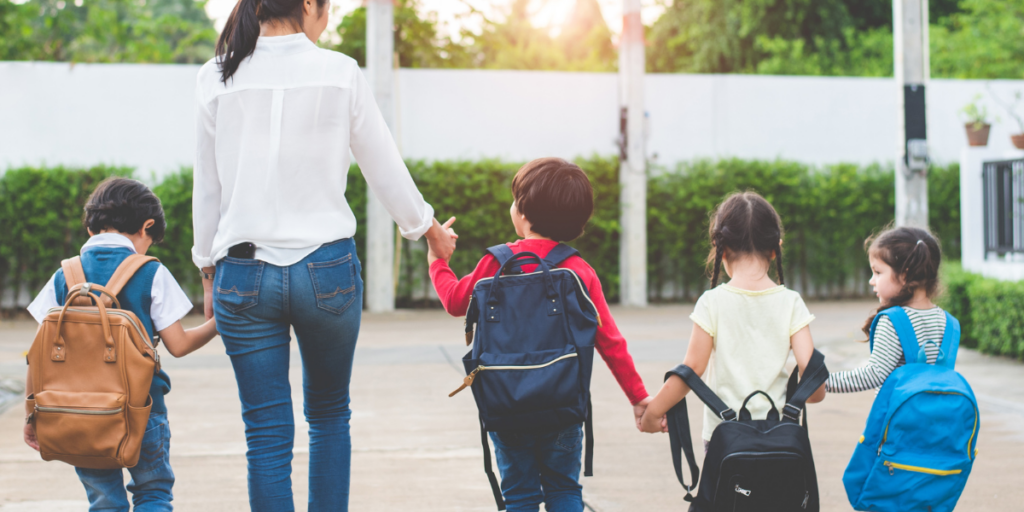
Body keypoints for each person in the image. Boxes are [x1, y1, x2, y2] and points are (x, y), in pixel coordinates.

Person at [191, 0, 456, 509]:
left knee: (265, 431)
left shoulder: (215, 76)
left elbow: (209, 186)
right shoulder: (339, 72)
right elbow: (383, 163)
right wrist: (426, 230)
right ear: (309, 4)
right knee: (330, 415)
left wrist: (208, 269)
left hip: (241, 274)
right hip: (326, 272)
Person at [427, 157, 650, 512]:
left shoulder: (494, 264)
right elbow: (610, 341)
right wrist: (638, 398)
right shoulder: (579, 270)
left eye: (516, 200)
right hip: (561, 406)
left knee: (520, 496)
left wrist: (437, 260)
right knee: (563, 490)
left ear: (525, 214)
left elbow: (455, 302)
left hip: (505, 404)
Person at [24, 177, 218, 512]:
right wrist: (219, 324)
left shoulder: (64, 276)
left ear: (90, 228)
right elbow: (179, 344)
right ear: (147, 226)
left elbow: (37, 356)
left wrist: (32, 414)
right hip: (143, 410)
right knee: (153, 493)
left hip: (78, 416)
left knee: (104, 501)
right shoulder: (151, 272)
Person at [639, 191, 826, 445]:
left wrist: (653, 413)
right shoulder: (791, 302)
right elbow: (813, 379)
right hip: (779, 438)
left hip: (725, 439)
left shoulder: (712, 302)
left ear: (720, 248)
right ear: (775, 249)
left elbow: (692, 369)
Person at [825, 226, 946, 393]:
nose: (871, 281)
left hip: (899, 417)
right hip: (936, 417)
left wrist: (823, 383)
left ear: (905, 275)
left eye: (877, 272)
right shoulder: (946, 320)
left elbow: (874, 374)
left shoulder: (894, 321)